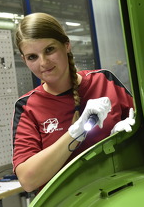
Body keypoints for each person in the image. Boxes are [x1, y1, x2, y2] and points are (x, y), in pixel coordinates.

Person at [11, 12, 134, 193]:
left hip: (121, 193)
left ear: (66, 45)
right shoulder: (27, 107)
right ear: (24, 60)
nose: (43, 63)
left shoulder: (104, 81)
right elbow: (28, 180)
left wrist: (126, 136)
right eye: (32, 57)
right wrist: (75, 132)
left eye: (49, 50)